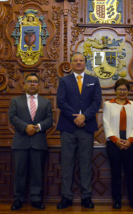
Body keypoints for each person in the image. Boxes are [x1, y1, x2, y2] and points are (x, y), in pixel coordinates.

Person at [56, 52, 102, 209]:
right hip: (68, 127)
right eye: (75, 60)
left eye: (81, 60)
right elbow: (60, 102)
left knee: (85, 163)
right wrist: (75, 117)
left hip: (86, 127)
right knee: (67, 163)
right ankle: (66, 197)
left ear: (85, 63)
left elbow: (96, 103)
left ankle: (86, 197)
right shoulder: (64, 81)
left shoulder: (93, 81)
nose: (78, 63)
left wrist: (85, 117)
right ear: (71, 63)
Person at [9, 73, 53, 210]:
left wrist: (38, 127)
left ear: (39, 84)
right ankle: (18, 200)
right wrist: (25, 127)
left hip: (38, 143)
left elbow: (49, 120)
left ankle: (36, 199)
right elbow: (12, 117)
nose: (32, 84)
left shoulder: (46, 102)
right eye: (29, 81)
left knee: (37, 173)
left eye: (35, 82)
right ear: (24, 84)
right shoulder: (16, 100)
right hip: (20, 143)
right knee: (19, 173)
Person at [103, 78, 133, 209]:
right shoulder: (108, 104)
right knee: (116, 172)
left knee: (131, 172)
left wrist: (129, 141)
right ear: (115, 90)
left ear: (128, 91)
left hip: (129, 142)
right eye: (120, 89)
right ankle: (117, 200)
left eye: (125, 89)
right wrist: (116, 140)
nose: (122, 91)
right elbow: (106, 124)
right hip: (114, 142)